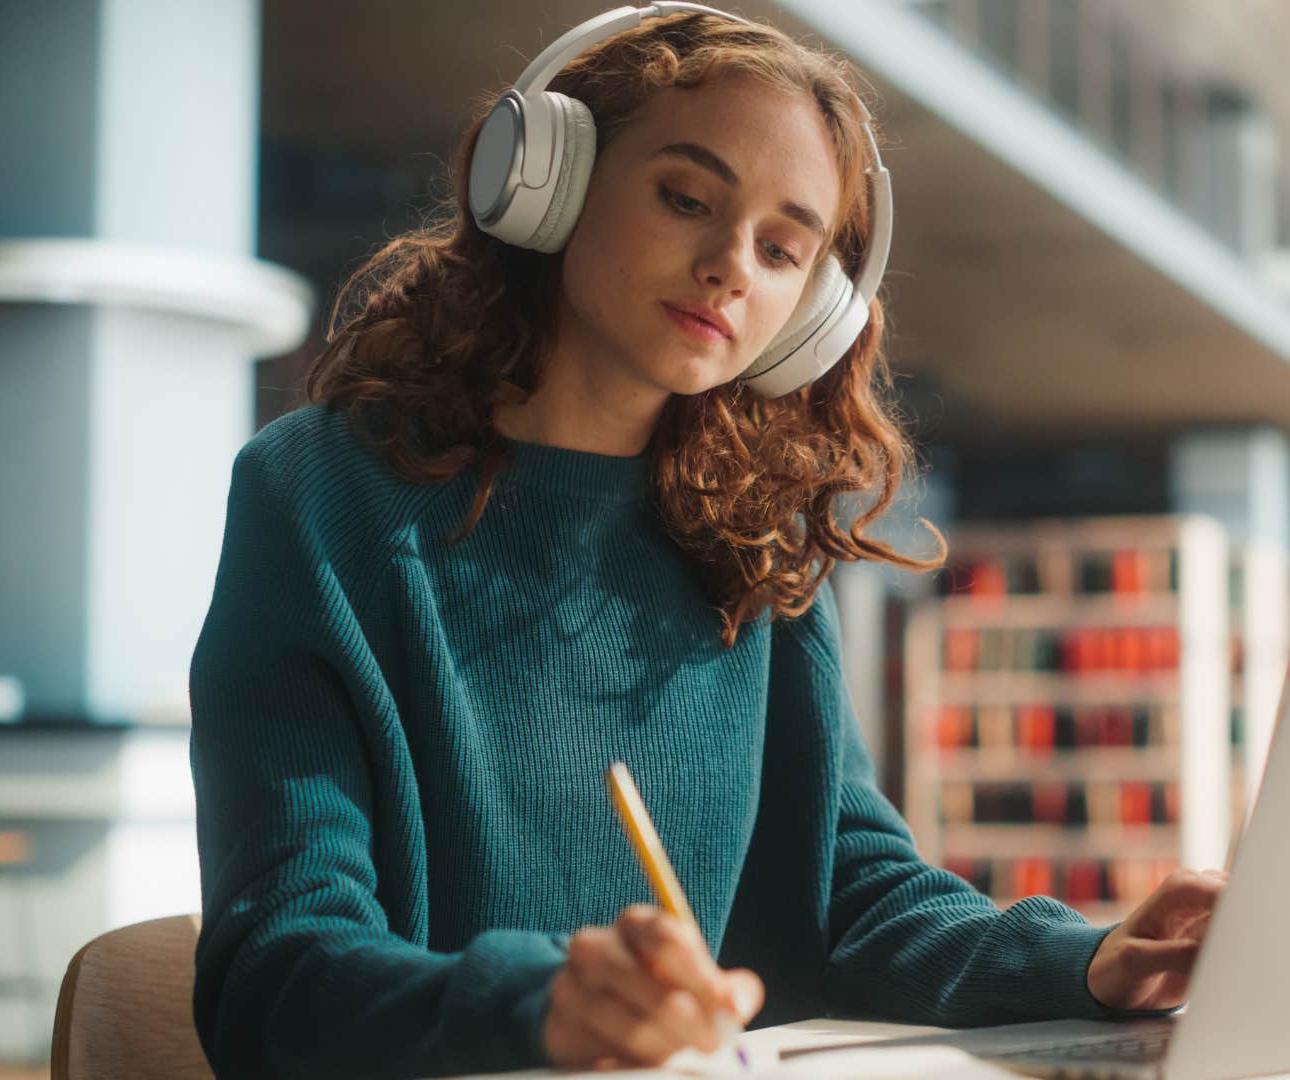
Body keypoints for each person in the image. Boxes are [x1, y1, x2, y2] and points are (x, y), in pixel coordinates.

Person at [188, 6, 1224, 1077]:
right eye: (686, 198)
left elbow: (853, 893)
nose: (732, 266)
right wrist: (540, 1008)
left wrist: (1087, 961)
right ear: (552, 180)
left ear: (812, 310)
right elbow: (279, 972)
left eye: (783, 248)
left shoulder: (754, 548)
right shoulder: (318, 497)